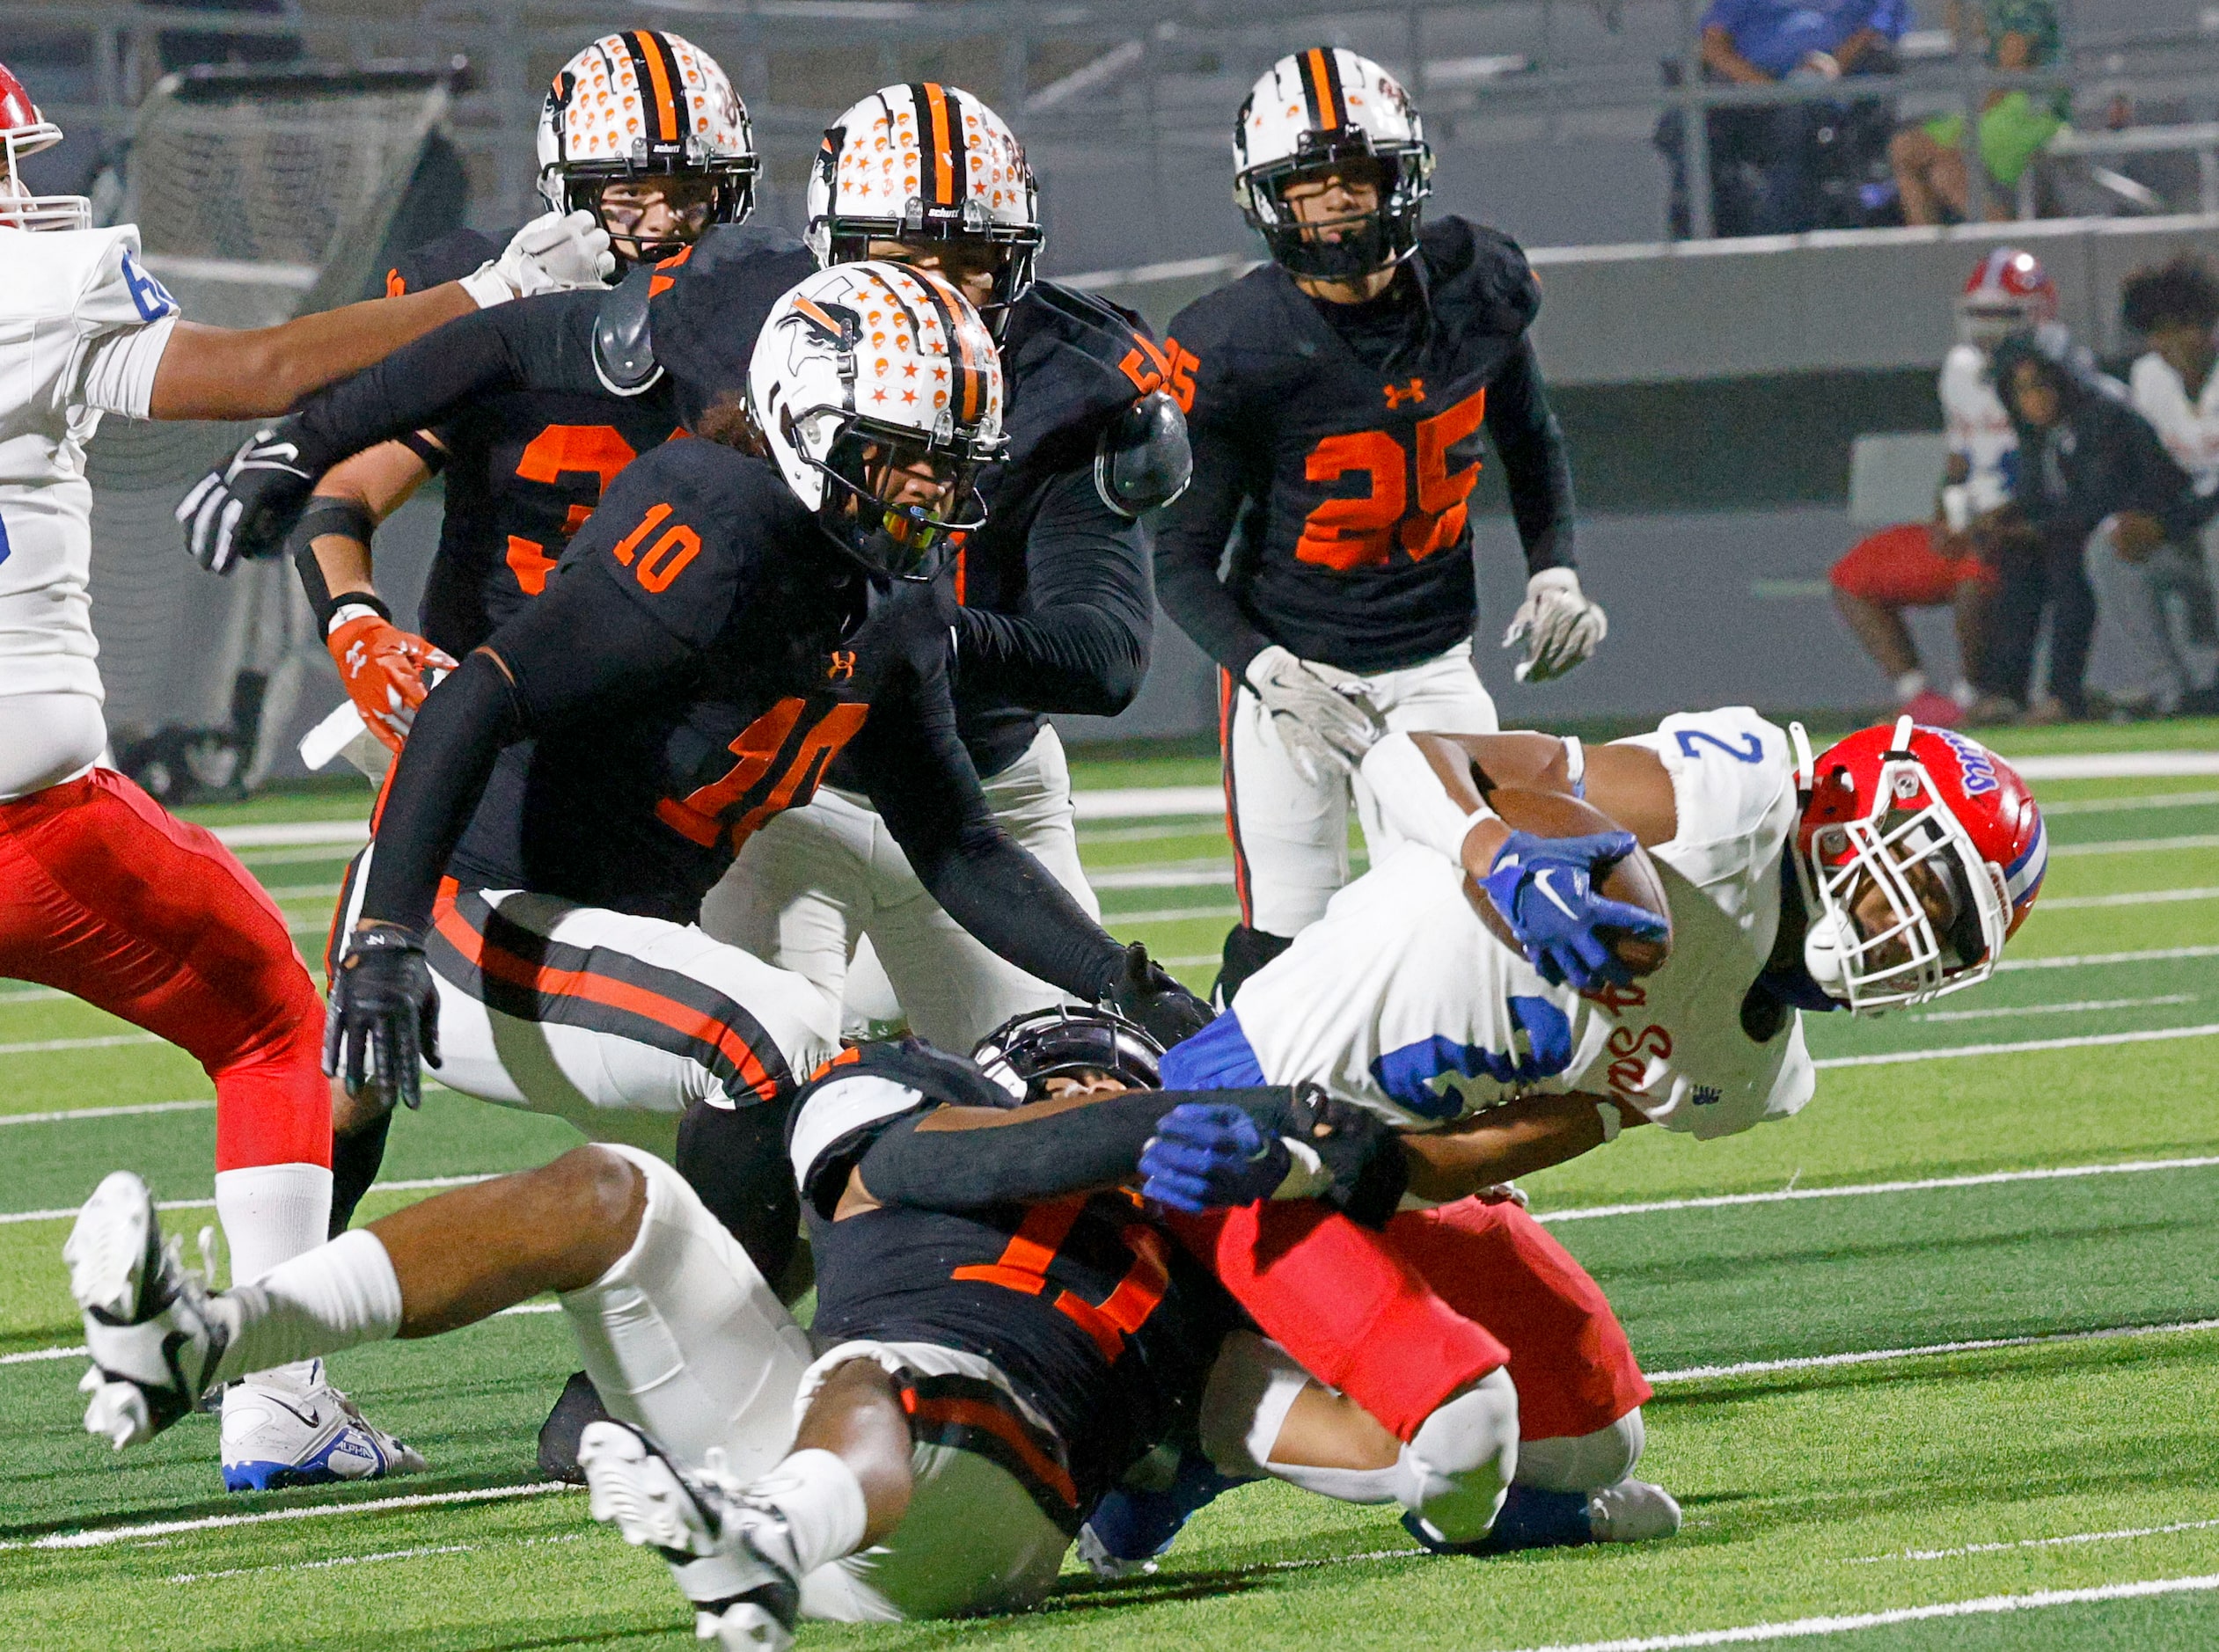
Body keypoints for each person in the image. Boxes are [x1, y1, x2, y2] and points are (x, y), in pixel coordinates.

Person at [64, 1012, 1672, 1648]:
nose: (1088, 1096)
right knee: (606, 1190)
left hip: (971, 1522)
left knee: (923, 1388)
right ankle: (216, 1330)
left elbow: (1351, 1432)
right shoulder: (915, 1097)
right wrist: (1154, 1123)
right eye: (1073, 1078)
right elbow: (918, 1163)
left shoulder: (1203, 1269)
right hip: (774, 1423)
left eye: (1108, 1082)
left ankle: (768, 1531)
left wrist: (1531, 1491)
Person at [296, 266, 1204, 1246]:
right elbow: (475, 697)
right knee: (778, 1034)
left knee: (806, 1174)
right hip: (470, 915)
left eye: (952, 463)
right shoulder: (715, 531)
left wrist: (1124, 982)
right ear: (808, 424)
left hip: (622, 942)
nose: (929, 491)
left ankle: (631, 1399)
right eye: (900, 456)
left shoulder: (894, 600)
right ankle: (272, 1350)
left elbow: (958, 850)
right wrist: (384, 935)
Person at [0, 60, 607, 1491]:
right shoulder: (30, 295)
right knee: (276, 1020)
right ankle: (277, 1395)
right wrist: (486, 296)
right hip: (31, 825)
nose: (22, 197)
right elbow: (263, 376)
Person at [695, 83, 1175, 1052]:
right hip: (790, 787)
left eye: (974, 263)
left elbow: (1106, 655)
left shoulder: (1075, 387)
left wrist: (916, 639)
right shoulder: (743, 327)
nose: (941, 293)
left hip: (983, 794)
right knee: (743, 1104)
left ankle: (897, 995)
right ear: (830, 255)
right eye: (905, 259)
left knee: (1071, 1100)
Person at [1154, 48, 1601, 1006]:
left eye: (1355, 180)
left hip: (1434, 660)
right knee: (1287, 939)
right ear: (1268, 202)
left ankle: (1450, 1146)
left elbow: (1530, 439)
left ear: (1402, 178)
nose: (1338, 208)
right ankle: (1242, 1127)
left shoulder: (1477, 283)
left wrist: (1554, 570)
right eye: (1310, 190)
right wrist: (1268, 673)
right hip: (1293, 670)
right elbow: (1180, 559)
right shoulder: (1233, 344)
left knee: (1459, 919)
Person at [278, 28, 755, 777]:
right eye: (630, 193)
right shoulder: (486, 291)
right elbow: (345, 491)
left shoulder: (760, 312)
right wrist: (357, 625)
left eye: (691, 193)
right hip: (489, 693)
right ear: (570, 188)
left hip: (683, 716)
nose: (663, 221)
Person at [1828, 247, 2052, 726]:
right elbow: (1957, 458)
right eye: (1980, 314)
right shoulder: (1961, 368)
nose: (1987, 327)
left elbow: (2045, 474)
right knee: (1853, 574)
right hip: (1969, 520)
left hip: (2016, 528)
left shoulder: (2051, 374)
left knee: (1979, 573)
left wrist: (1986, 523)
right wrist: (1943, 516)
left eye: (2001, 314)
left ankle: (1972, 695)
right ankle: (1919, 696)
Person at [1988, 326, 2219, 720]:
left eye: (2040, 384)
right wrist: (2012, 518)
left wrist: (2042, 528)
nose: (2034, 398)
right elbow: (2049, 501)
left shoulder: (2105, 414)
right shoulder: (2148, 380)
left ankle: (2063, 693)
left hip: (2192, 532)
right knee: (2089, 550)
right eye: (2021, 389)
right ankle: (2171, 693)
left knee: (2070, 553)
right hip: (2178, 532)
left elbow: (2113, 496)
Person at [1700, 0, 1909, 237]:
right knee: (1685, 126)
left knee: (1797, 124)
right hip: (1753, 93)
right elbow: (1712, 42)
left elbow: (1882, 20)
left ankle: (1777, 248)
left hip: (1830, 94)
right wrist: (1766, 88)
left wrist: (1836, 62)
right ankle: (1701, 246)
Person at [2115, 254, 2219, 715]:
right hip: (2188, 530)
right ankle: (2172, 688)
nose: (2174, 342)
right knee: (2107, 546)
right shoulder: (2147, 378)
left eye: (2187, 326)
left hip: (2207, 528)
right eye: (2159, 331)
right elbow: (2151, 471)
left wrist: (2171, 520)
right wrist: (2143, 515)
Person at [1892, 1, 2066, 226]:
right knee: (1905, 149)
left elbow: (2011, 68)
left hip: (2032, 109)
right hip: (2000, 107)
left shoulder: (2023, 5)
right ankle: (1928, 253)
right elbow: (1964, 37)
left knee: (1947, 172)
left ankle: (2009, 243)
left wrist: (1973, 119)